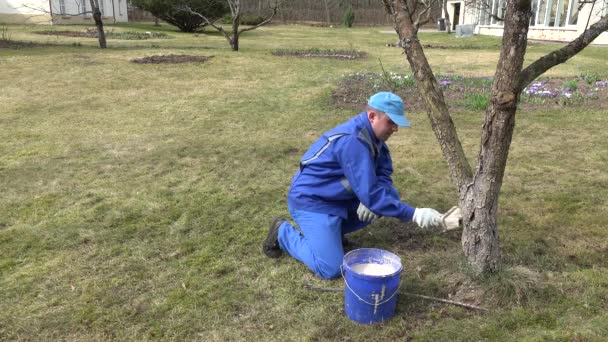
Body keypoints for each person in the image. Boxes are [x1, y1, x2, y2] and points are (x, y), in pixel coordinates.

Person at [262, 92, 443, 279]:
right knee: (332, 268)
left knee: (389, 195)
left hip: (335, 199)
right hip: (312, 202)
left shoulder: (375, 139)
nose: (395, 128)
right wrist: (414, 214)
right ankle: (283, 233)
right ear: (372, 117)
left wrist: (370, 199)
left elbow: (384, 175)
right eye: (391, 122)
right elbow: (372, 193)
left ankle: (331, 235)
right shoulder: (352, 141)